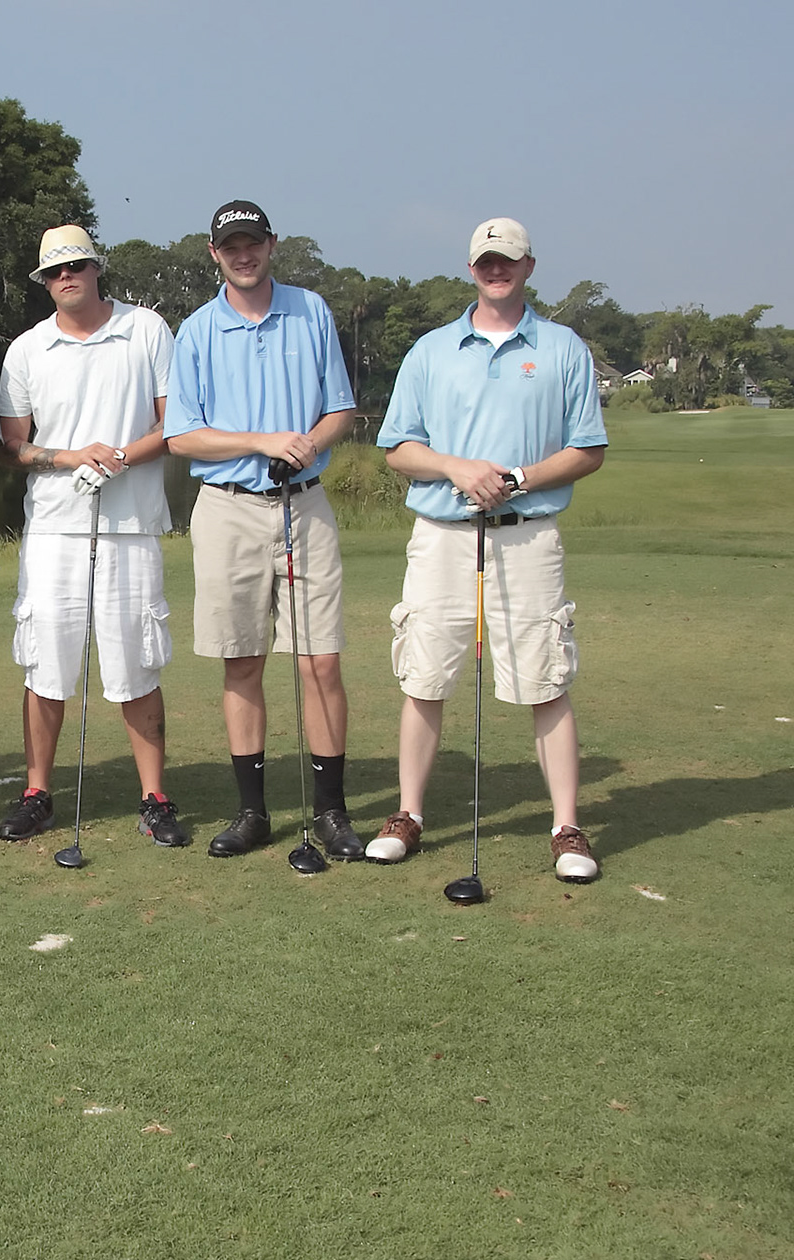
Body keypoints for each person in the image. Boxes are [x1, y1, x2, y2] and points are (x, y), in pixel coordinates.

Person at [366, 218, 606, 883]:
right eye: (485, 262)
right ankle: (408, 815)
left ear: (529, 265)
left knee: (546, 681)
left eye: (508, 260)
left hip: (527, 535)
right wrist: (457, 467)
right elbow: (398, 448)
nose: (496, 270)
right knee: (424, 678)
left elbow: (587, 449)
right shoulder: (432, 350)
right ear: (471, 269)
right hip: (442, 536)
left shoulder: (562, 348)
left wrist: (518, 478)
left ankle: (566, 827)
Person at [165, 201, 364, 861]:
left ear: (271, 244)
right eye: (231, 247)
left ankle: (331, 811)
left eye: (252, 243)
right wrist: (262, 441)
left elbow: (340, 409)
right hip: (227, 509)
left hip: (303, 504)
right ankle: (252, 812)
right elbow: (183, 437)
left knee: (320, 660)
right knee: (242, 659)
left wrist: (308, 444)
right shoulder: (197, 330)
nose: (243, 255)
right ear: (214, 254)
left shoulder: (311, 311)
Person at [0, 225, 188, 848]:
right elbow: (12, 445)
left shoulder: (146, 329)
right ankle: (36, 793)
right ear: (44, 281)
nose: (66, 277)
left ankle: (155, 796)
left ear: (96, 268)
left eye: (76, 265)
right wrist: (69, 456)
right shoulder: (27, 348)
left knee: (137, 661)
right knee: (45, 663)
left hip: (131, 525)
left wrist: (121, 457)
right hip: (54, 527)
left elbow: (175, 425)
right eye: (54, 271)